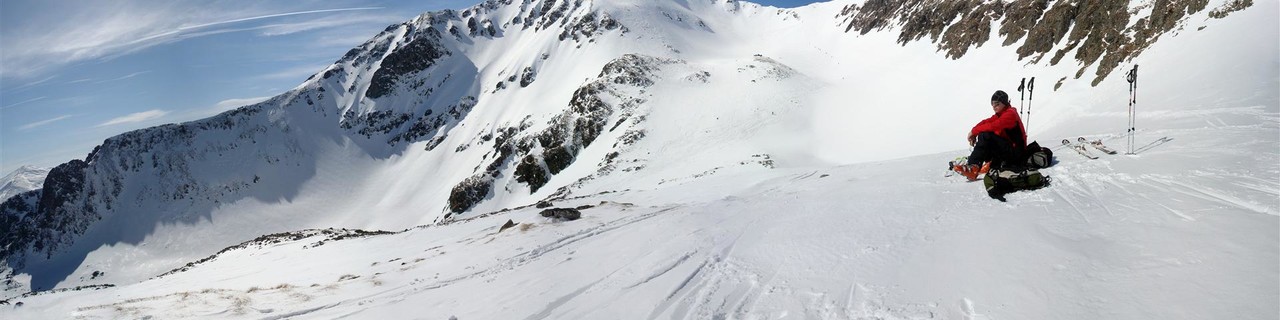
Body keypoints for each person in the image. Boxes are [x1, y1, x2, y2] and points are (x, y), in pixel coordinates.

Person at [956, 90, 1027, 181]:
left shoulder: (1010, 114)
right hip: (1011, 151)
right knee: (986, 134)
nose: (994, 106)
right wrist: (973, 132)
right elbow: (986, 121)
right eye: (992, 104)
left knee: (986, 135)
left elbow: (993, 126)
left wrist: (974, 132)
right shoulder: (1001, 114)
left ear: (1004, 103)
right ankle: (989, 163)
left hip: (1017, 154)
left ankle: (973, 167)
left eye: (997, 104)